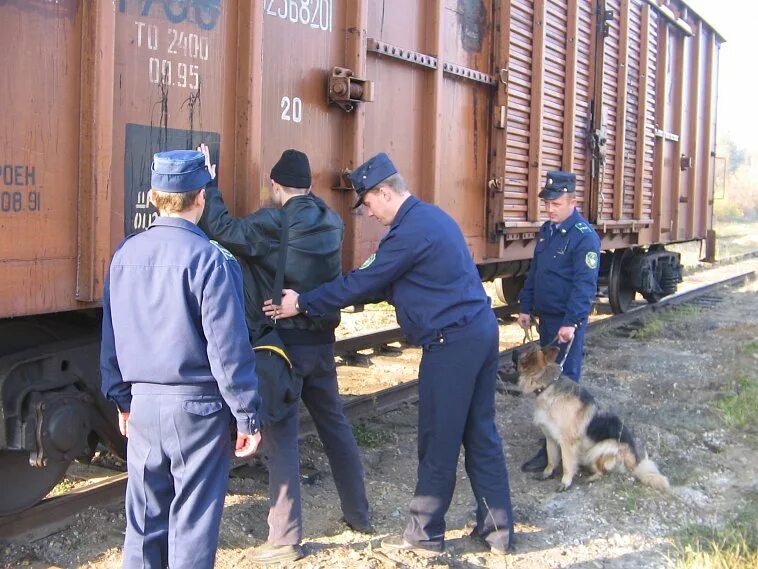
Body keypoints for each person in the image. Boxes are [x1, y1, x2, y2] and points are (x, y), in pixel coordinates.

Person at [265, 153, 515, 555]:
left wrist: (305, 302)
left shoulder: (408, 232)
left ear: (384, 191)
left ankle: (424, 537)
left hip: (451, 344)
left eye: (367, 203)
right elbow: (388, 283)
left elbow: (366, 281)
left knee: (439, 438)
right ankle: (498, 532)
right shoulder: (432, 219)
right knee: (480, 432)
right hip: (477, 334)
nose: (367, 213)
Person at [199, 147, 370, 565]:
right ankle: (359, 513)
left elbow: (221, 228)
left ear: (276, 186)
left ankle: (285, 539)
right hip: (321, 344)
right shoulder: (332, 221)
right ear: (310, 185)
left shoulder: (271, 222)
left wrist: (209, 181)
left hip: (283, 349)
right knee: (335, 427)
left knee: (282, 440)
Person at [100, 150, 262, 569]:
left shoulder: (124, 256)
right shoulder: (212, 259)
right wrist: (247, 417)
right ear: (201, 198)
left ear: (154, 197)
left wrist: (122, 400)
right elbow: (227, 349)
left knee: (143, 525)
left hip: (143, 405)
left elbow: (111, 338)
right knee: (191, 525)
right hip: (198, 411)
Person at [516, 170, 601, 472]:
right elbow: (535, 272)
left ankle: (565, 450)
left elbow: (584, 285)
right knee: (543, 383)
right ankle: (551, 447)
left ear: (572, 202)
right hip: (546, 320)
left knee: (564, 385)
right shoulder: (548, 231)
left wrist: (572, 322)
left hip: (567, 326)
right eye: (548, 204)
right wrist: (525, 306)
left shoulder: (584, 237)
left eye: (556, 203)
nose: (550, 209)